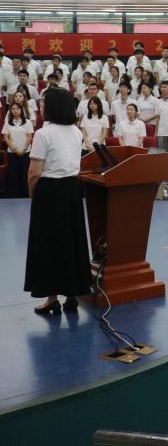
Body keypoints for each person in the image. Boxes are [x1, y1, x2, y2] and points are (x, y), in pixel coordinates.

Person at [24, 88, 91, 315]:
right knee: (71, 241)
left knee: (48, 244)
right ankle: (72, 295)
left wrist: (33, 195)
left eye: (44, 103)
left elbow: (34, 172)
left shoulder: (43, 134)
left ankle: (51, 298)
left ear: (52, 107)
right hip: (72, 190)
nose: (41, 106)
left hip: (49, 191)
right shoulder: (76, 132)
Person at [3, 101, 33, 197]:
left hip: (25, 152)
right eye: (13, 109)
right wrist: (15, 149)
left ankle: (26, 195)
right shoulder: (8, 123)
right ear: (10, 111)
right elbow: (6, 137)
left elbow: (29, 136)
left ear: (21, 110)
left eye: (17, 109)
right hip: (12, 153)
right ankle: (14, 196)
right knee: (13, 176)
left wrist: (23, 149)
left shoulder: (27, 122)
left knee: (25, 175)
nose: (15, 111)